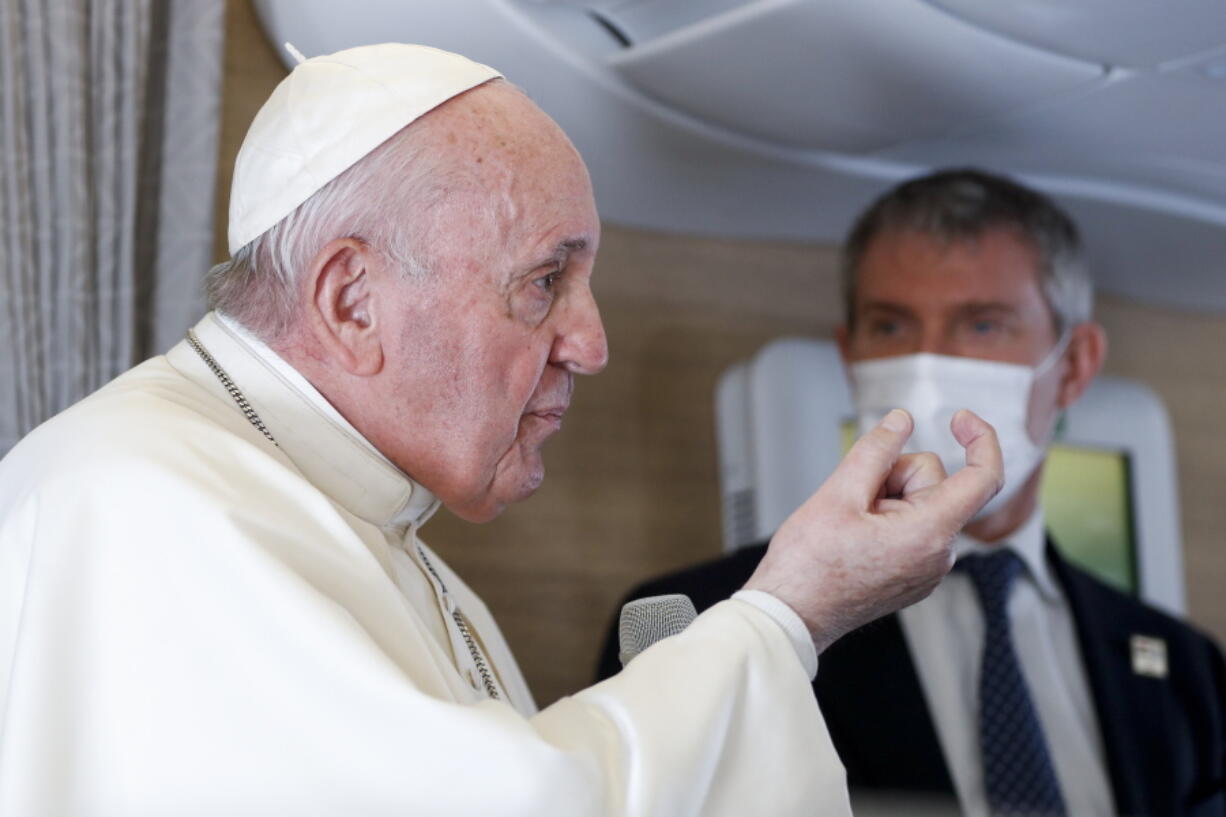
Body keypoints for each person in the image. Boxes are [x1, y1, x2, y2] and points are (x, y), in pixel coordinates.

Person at [0, 45, 1005, 816]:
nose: (591, 341)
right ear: (352, 302)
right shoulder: (143, 501)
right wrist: (790, 609)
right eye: (543, 281)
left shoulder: (375, 534)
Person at [598, 169, 1226, 817]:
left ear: (1073, 366)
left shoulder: (1189, 674)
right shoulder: (698, 623)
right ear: (850, 356)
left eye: (982, 325)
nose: (928, 367)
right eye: (892, 327)